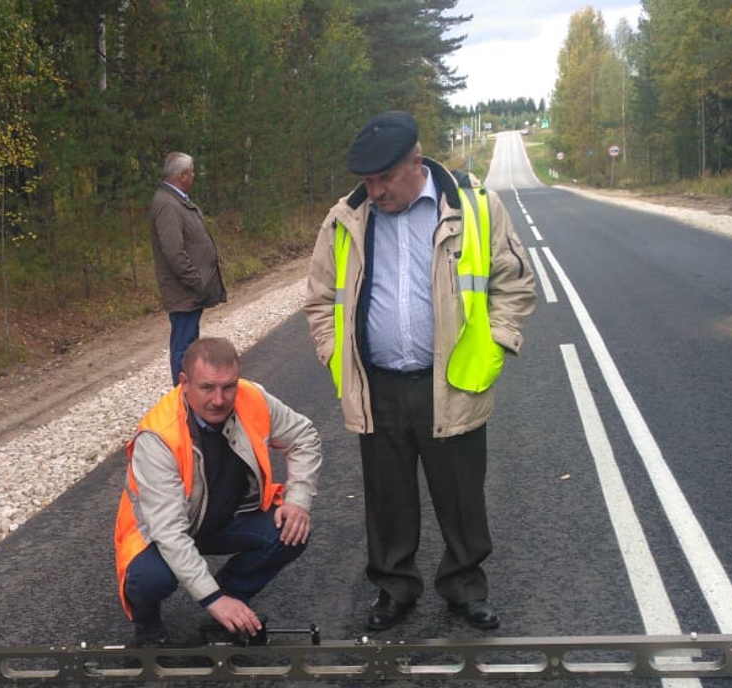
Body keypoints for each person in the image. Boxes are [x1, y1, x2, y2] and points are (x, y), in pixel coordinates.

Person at [303, 110, 535, 632]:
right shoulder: (346, 218)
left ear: (416, 163)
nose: (376, 190)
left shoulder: (475, 208)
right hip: (377, 383)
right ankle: (394, 588)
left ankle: (465, 587)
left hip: (449, 381)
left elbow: (514, 283)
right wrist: (333, 353)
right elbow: (319, 297)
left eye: (385, 178)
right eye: (368, 181)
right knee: (387, 498)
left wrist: (495, 345)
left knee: (460, 493)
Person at [114, 337, 321, 646]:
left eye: (228, 387)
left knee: (291, 531)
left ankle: (230, 600)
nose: (219, 399)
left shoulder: (252, 398)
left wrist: (299, 500)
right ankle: (148, 624)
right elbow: (169, 532)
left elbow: (304, 437)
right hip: (158, 532)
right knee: (151, 578)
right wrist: (210, 598)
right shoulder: (158, 437)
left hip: (224, 518)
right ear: (184, 382)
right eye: (207, 387)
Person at [149, 152, 227, 384]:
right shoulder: (167, 204)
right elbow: (174, 252)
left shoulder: (176, 200)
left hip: (189, 292)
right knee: (183, 348)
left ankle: (189, 395)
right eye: (191, 171)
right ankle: (181, 399)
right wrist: (197, 282)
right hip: (184, 292)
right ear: (181, 175)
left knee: (189, 345)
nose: (194, 175)